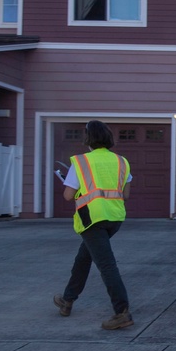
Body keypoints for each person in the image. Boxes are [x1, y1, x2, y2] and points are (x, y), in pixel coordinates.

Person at [53, 120, 135, 331]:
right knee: (83, 258)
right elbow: (125, 194)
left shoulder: (80, 163)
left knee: (107, 265)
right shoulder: (122, 162)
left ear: (88, 138)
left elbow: (68, 195)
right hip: (114, 219)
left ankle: (122, 312)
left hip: (92, 220)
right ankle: (67, 300)